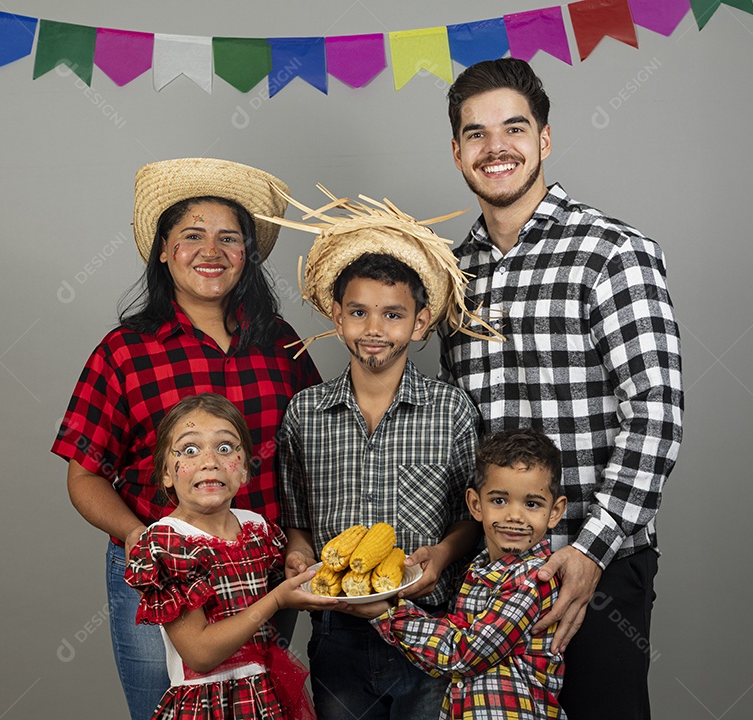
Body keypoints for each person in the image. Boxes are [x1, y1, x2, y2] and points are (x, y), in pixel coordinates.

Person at [439, 58, 684, 720]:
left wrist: (591, 551)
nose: (497, 148)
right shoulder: (449, 277)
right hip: (491, 569)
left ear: (545, 139)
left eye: (514, 128)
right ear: (457, 151)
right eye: (476, 134)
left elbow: (655, 416)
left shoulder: (612, 252)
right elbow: (455, 423)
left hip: (595, 558)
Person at [51, 158, 321, 720]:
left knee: (258, 705)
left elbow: (304, 458)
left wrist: (297, 539)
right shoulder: (124, 351)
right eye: (192, 236)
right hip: (164, 570)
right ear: (163, 250)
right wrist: (136, 537)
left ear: (248, 254)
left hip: (263, 569)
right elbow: (84, 474)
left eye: (229, 238)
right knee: (165, 708)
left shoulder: (281, 343)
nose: (211, 251)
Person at [262, 188, 498, 720]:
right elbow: (297, 517)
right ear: (337, 317)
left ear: (419, 324)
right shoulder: (305, 414)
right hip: (338, 632)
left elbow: (469, 516)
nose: (374, 330)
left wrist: (440, 556)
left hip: (429, 626)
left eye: (393, 315)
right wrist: (298, 555)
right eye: (359, 312)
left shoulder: (451, 409)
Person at [125, 393, 337, 720]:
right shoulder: (165, 544)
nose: (210, 461)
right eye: (190, 450)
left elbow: (280, 595)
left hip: (266, 698)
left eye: (225, 448)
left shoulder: (257, 528)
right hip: (206, 704)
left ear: (243, 472)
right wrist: (277, 600)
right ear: (166, 472)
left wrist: (296, 571)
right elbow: (200, 654)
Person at [350, 427, 569, 720]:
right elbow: (447, 648)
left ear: (554, 512)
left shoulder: (532, 580)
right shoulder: (478, 569)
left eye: (531, 504)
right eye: (499, 501)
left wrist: (390, 615)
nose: (514, 516)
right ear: (476, 505)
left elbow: (463, 654)